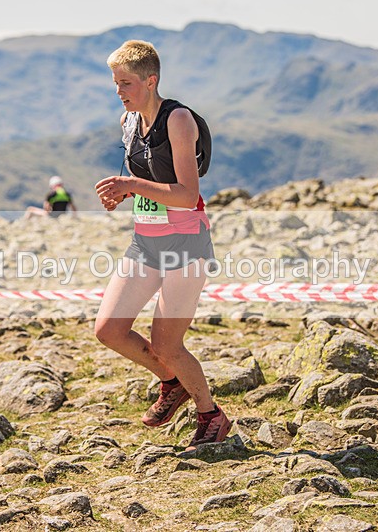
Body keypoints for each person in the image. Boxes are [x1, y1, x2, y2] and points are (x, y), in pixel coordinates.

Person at [94, 40, 231, 450]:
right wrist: (123, 195)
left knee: (167, 344)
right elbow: (150, 184)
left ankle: (211, 415)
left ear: (150, 81)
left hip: (185, 244)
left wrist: (131, 184)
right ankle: (172, 383)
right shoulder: (128, 121)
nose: (119, 91)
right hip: (146, 242)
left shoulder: (179, 120)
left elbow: (188, 195)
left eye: (126, 83)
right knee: (109, 329)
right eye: (115, 82)